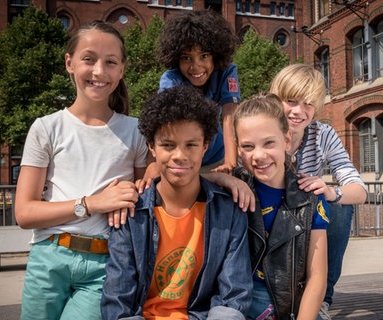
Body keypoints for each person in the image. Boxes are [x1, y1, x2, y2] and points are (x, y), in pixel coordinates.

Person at [15, 21, 148, 320]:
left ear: (122, 70)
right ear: (69, 63)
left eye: (110, 62)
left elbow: (149, 190)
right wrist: (92, 204)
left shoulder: (136, 131)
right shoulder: (46, 128)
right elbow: (24, 213)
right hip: (48, 257)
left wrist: (133, 192)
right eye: (89, 59)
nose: (99, 71)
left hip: (106, 265)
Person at [101, 85, 253, 320]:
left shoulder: (228, 211)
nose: (179, 155)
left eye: (191, 145)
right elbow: (119, 302)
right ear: (152, 146)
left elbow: (233, 296)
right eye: (168, 145)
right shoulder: (130, 212)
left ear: (205, 146)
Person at [269, 64, 368, 316]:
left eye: (308, 104)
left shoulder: (323, 134)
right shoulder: (262, 127)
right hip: (266, 209)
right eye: (290, 101)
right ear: (276, 99)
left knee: (337, 207)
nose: (299, 111)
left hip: (303, 213)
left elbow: (359, 189)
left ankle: (322, 299)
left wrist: (332, 192)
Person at [232, 93, 330, 320]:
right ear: (238, 149)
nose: (259, 155)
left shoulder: (309, 197)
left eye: (269, 143)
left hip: (292, 303)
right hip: (244, 302)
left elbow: (317, 276)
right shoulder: (232, 189)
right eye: (248, 146)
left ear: (286, 141)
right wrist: (222, 179)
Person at [156, 9, 240, 173]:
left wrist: (230, 165)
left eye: (204, 56)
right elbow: (167, 125)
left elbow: (229, 115)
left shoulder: (227, 72)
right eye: (186, 58)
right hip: (184, 159)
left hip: (217, 157)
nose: (196, 66)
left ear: (215, 55)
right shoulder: (171, 80)